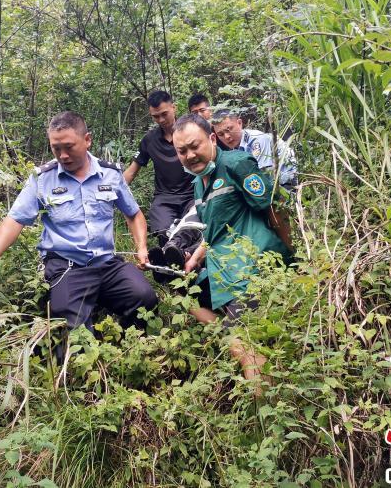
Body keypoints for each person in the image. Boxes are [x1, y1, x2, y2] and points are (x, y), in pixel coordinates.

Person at [0, 111, 158, 338]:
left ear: (87, 140)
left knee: (145, 297)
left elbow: (134, 214)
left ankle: (125, 339)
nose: (63, 155)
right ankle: (84, 332)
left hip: (106, 264)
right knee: (70, 331)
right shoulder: (43, 179)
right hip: (67, 266)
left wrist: (141, 247)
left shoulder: (110, 174)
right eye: (56, 148)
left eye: (69, 147)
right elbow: (15, 219)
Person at [171, 113, 292, 380]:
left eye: (195, 146)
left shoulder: (236, 164)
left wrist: (291, 256)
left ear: (212, 139)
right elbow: (214, 230)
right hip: (221, 270)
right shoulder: (197, 183)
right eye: (182, 151)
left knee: (245, 349)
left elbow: (275, 206)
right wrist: (195, 259)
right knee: (185, 300)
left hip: (250, 268)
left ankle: (263, 403)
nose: (190, 155)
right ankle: (238, 340)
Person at [123, 90, 200, 274]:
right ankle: (172, 268)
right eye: (155, 116)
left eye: (164, 114)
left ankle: (181, 264)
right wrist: (109, 192)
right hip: (165, 198)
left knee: (192, 227)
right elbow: (132, 172)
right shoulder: (150, 140)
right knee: (165, 232)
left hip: (192, 194)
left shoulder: (190, 132)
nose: (161, 120)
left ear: (174, 108)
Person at [212, 108, 298, 189]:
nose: (226, 137)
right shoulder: (235, 149)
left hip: (288, 185)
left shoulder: (257, 140)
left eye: (229, 129)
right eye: (220, 134)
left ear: (239, 123)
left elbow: (263, 176)